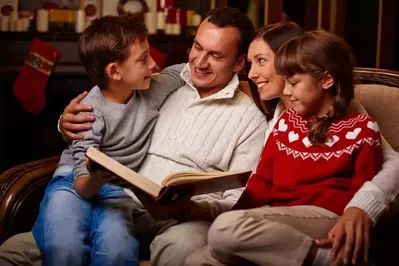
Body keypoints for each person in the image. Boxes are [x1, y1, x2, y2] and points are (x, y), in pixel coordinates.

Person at [0, 7, 267, 266]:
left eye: (216, 55)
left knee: (180, 247)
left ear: (240, 63)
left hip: (180, 217)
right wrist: (65, 123)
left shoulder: (249, 117)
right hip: (118, 199)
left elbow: (241, 199)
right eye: (197, 47)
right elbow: (111, 104)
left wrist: (190, 209)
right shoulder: (163, 82)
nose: (199, 62)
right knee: (13, 251)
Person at [186, 29, 391, 266]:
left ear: (326, 80)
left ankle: (328, 260)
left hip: (328, 218)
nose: (285, 91)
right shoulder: (285, 123)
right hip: (280, 217)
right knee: (197, 259)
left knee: (224, 230)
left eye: (292, 83)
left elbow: (363, 188)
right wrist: (238, 215)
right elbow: (261, 183)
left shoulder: (362, 128)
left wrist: (233, 223)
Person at [30, 16, 185, 266]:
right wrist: (100, 175)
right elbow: (82, 185)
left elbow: (182, 72)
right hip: (75, 180)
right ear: (115, 71)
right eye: (143, 59)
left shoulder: (153, 88)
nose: (154, 64)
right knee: (64, 244)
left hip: (115, 189)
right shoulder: (88, 112)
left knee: (118, 249)